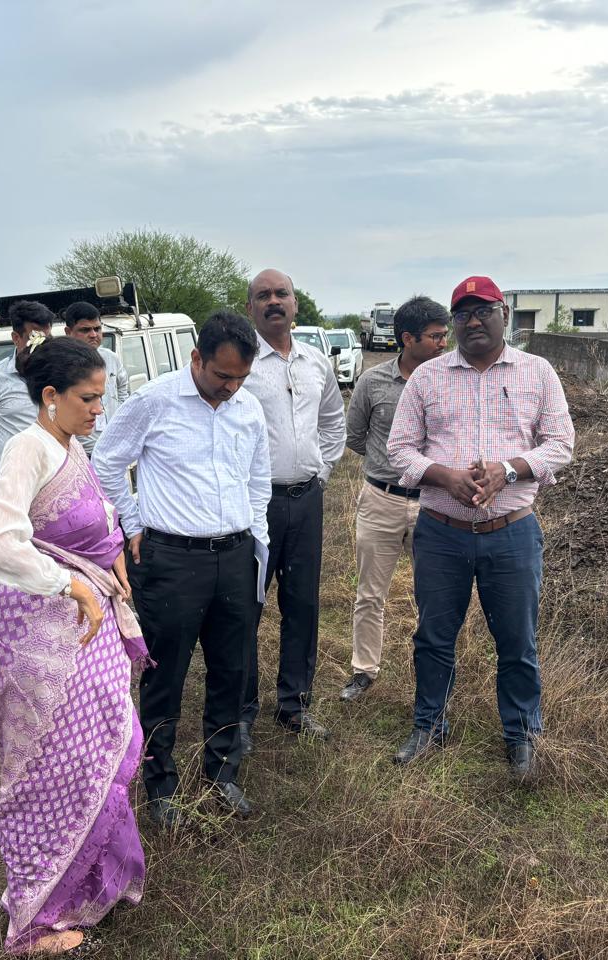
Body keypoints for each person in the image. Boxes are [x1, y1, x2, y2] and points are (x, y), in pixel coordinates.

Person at [0, 334, 148, 954]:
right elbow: (1, 544)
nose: (99, 409)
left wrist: (110, 567)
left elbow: (93, 525)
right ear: (50, 395)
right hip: (41, 632)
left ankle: (84, 883)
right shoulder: (28, 447)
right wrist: (69, 584)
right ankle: (35, 916)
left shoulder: (69, 444)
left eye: (101, 397)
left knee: (97, 751)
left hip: (83, 622)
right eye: (89, 398)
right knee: (47, 770)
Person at [386, 276, 575, 779]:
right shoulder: (428, 377)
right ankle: (429, 724)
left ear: (503, 314)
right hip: (441, 531)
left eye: (483, 311)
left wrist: (507, 470)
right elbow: (399, 449)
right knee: (433, 636)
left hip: (511, 532)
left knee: (517, 640)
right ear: (453, 323)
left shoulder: (538, 372)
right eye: (463, 314)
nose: (473, 321)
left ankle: (521, 734)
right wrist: (444, 476)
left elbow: (561, 444)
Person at [94, 310, 271, 826]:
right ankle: (160, 784)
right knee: (165, 674)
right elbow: (106, 461)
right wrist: (131, 523)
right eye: (222, 376)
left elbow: (258, 478)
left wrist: (257, 537)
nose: (231, 388)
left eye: (241, 378)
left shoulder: (248, 408)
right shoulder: (154, 400)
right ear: (197, 358)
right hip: (171, 560)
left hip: (236, 556)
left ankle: (222, 773)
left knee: (233, 669)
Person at [240, 269, 345, 750]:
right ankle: (240, 709)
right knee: (246, 605)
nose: (273, 301)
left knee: (302, 604)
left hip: (306, 500)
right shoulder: (241, 362)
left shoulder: (315, 363)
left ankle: (295, 704)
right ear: (250, 308)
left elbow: (333, 422)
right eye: (263, 295)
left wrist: (322, 472)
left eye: (281, 293)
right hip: (254, 505)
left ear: (296, 303)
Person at [339, 297, 451, 703]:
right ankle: (363, 671)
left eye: (445, 335)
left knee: (435, 595)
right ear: (408, 338)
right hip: (381, 500)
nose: (444, 343)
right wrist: (385, 462)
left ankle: (432, 674)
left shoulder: (450, 381)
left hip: (435, 503)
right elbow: (355, 436)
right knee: (370, 593)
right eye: (435, 336)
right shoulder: (372, 382)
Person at [0, 300, 54, 470]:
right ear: (16, 338)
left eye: (47, 339)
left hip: (53, 471)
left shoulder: (62, 374)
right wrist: (16, 453)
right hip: (10, 474)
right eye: (35, 339)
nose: (43, 346)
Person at [62, 301, 130, 457]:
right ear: (68, 332)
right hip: (78, 454)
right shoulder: (60, 365)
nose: (93, 334)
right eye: (85, 330)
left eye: (97, 329)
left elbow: (123, 390)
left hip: (114, 449)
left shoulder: (111, 358)